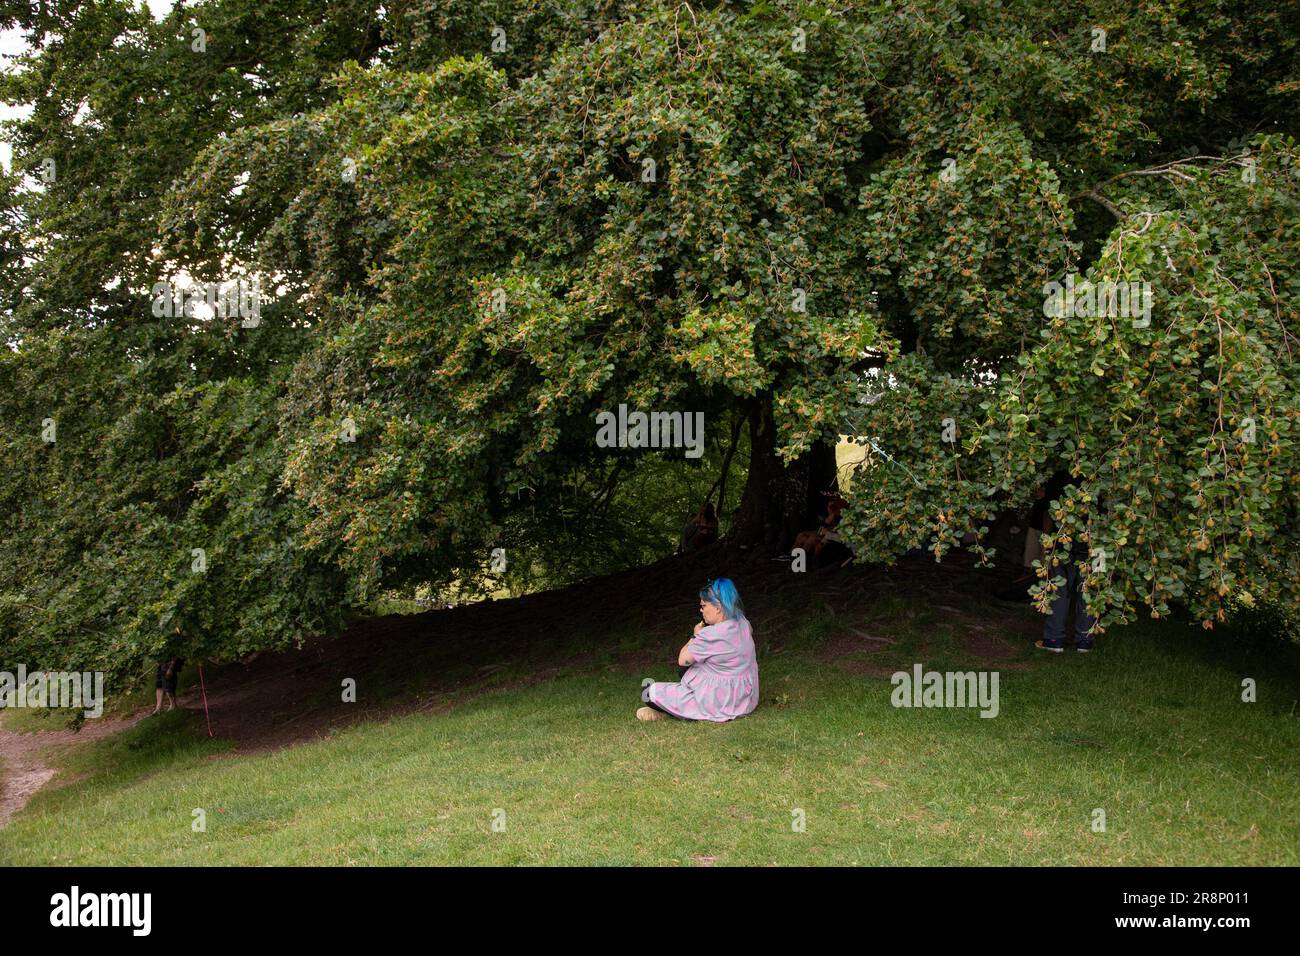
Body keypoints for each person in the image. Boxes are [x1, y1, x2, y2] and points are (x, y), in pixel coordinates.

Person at [637, 578, 759, 722]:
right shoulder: (743, 623)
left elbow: (683, 660)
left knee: (647, 691)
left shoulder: (710, 634)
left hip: (720, 701)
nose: (701, 610)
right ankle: (680, 703)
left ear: (718, 607)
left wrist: (695, 635)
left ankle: (676, 710)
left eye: (703, 605)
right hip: (746, 699)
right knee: (693, 670)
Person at [1034, 470, 1097, 653]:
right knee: (1089, 592)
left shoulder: (1059, 476)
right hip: (1096, 545)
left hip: (1063, 543)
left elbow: (1048, 511)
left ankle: (1054, 640)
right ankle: (1085, 641)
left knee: (1059, 590)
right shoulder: (1103, 475)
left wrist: (1047, 546)